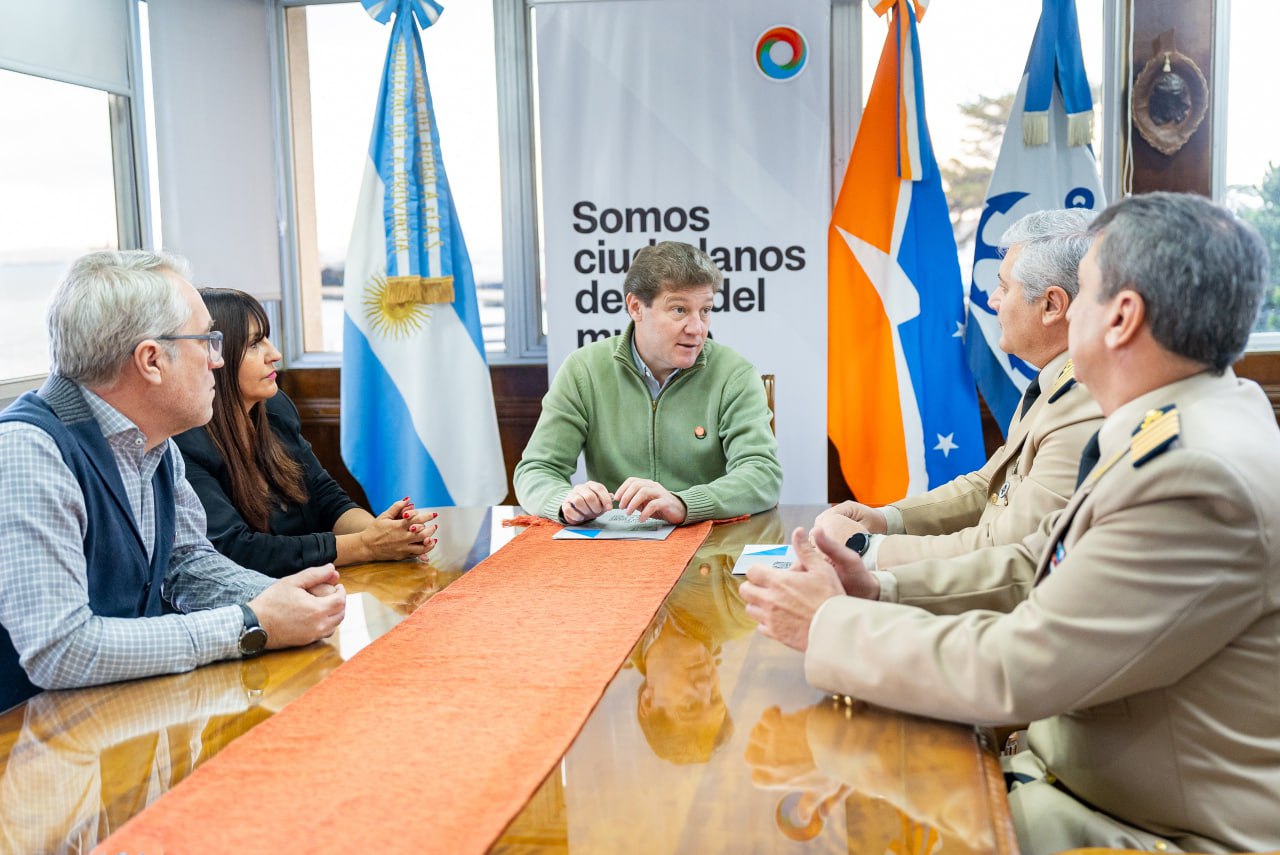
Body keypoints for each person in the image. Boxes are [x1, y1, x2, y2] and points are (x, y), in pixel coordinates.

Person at [740, 193, 1280, 853]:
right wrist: (878, 587)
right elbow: (1036, 562)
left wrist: (828, 624)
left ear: (1121, 317)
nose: (1067, 310)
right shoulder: (1184, 420)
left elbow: (1015, 668)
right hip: (1080, 781)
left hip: (1136, 827)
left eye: (1082, 292)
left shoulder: (1192, 476)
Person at [0, 251, 346, 712]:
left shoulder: (156, 441)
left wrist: (278, 599)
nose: (217, 361)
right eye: (207, 341)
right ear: (151, 360)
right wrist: (249, 623)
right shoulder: (27, 452)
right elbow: (61, 650)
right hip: (33, 735)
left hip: (122, 713)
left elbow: (187, 564)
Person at [813, 209, 1103, 611]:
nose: (992, 300)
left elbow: (1010, 547)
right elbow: (988, 486)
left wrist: (866, 549)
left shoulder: (1084, 400)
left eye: (1004, 287)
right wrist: (885, 519)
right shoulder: (1054, 381)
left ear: (1052, 304)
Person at [173, 288, 437, 577]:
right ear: (214, 356)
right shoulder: (184, 443)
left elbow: (328, 500)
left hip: (316, 586)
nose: (275, 354)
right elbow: (238, 550)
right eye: (254, 344)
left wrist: (388, 534)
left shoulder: (275, 408)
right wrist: (366, 545)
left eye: (267, 339)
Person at [514, 241, 781, 524]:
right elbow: (536, 470)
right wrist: (565, 501)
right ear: (636, 307)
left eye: (705, 310)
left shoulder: (734, 374)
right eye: (679, 310)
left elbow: (763, 475)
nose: (697, 328)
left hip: (709, 540)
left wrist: (685, 503)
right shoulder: (583, 370)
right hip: (615, 542)